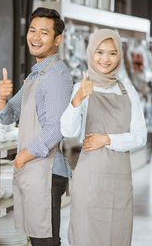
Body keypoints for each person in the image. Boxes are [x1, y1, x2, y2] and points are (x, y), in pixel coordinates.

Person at [0, 7, 73, 246]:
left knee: (45, 241)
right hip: (36, 172)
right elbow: (9, 116)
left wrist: (22, 158)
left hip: (46, 173)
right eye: (32, 30)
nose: (35, 37)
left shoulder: (56, 75)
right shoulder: (35, 75)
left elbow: (56, 128)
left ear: (57, 40)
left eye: (44, 33)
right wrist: (2, 98)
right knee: (37, 240)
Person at [60, 29, 147, 246]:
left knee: (116, 236)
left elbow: (140, 137)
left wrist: (107, 139)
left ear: (119, 56)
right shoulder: (81, 87)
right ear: (91, 53)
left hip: (119, 182)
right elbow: (68, 131)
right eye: (99, 52)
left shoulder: (128, 90)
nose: (105, 59)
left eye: (112, 53)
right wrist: (77, 99)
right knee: (86, 236)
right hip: (90, 180)